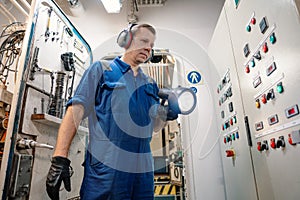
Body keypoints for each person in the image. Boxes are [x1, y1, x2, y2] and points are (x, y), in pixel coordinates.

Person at [46, 23, 178, 200]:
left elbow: (153, 127)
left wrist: (166, 115)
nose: (148, 48)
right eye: (144, 41)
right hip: (107, 171)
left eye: (152, 45)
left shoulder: (150, 84)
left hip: (142, 172)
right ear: (127, 40)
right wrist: (59, 158)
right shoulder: (101, 70)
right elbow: (75, 111)